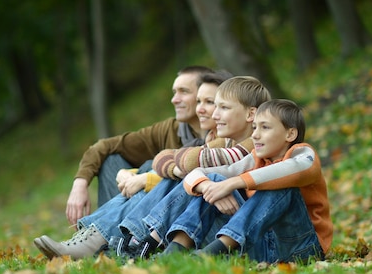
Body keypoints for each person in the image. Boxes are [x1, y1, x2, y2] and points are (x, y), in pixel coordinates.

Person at [34, 72, 229, 259]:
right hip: (179, 216)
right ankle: (100, 238)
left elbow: (185, 163)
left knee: (161, 176)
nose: (175, 99)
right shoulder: (177, 131)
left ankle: (103, 240)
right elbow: (160, 158)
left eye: (185, 92)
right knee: (131, 167)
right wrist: (90, 181)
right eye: (200, 101)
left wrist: (149, 177)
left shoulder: (228, 142)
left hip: (205, 225)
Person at [148, 99, 333, 263]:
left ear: (290, 134)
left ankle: (214, 252)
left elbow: (291, 170)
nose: (255, 135)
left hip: (302, 249)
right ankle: (176, 250)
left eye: (265, 127)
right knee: (212, 179)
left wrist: (233, 183)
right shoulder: (255, 160)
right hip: (260, 247)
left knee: (282, 184)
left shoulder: (304, 155)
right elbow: (195, 173)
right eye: (254, 128)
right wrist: (209, 187)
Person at [116, 76, 272, 259]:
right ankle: (143, 241)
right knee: (189, 177)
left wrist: (202, 179)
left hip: (253, 235)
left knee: (204, 178)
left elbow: (190, 162)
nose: (215, 115)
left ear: (250, 114)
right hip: (229, 225)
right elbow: (164, 158)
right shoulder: (226, 142)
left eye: (223, 107)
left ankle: (146, 241)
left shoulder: (255, 147)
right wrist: (199, 180)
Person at [65, 65, 214, 228]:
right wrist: (79, 185)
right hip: (149, 210)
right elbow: (104, 146)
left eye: (183, 91)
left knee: (151, 166)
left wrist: (144, 177)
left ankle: (100, 232)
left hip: (188, 218)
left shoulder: (224, 133)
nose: (174, 99)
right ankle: (106, 233)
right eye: (174, 92)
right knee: (111, 160)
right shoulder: (169, 129)